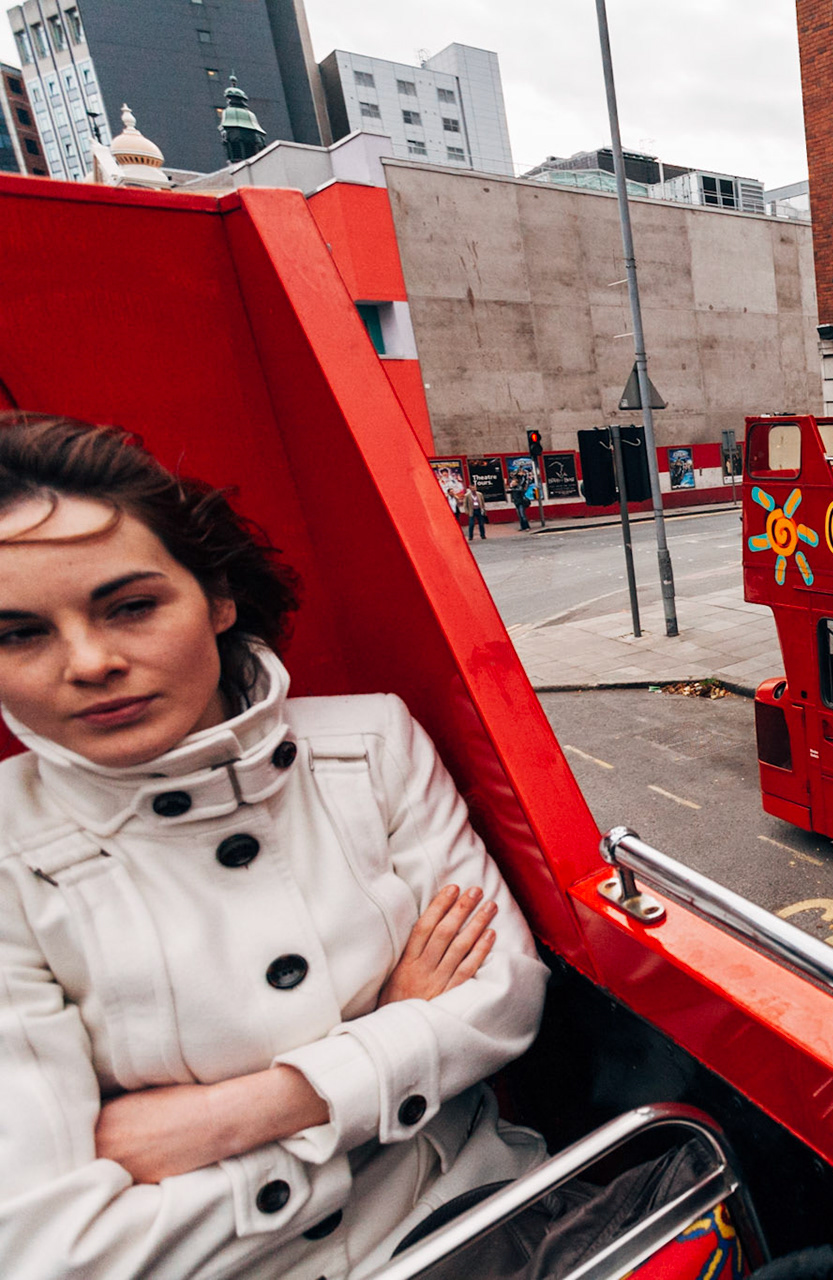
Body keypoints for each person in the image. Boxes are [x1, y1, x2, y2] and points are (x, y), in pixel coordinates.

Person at [0, 415, 547, 1279]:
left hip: (477, 1218)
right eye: (19, 633)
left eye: (132, 606)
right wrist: (394, 1032)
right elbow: (49, 1252)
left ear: (216, 598)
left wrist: (215, 1123)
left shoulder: (370, 744)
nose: (91, 660)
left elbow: (503, 998)